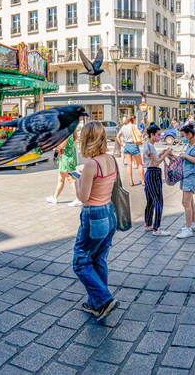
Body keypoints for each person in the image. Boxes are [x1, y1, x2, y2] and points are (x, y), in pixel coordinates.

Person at [71, 121, 119, 320]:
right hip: (110, 212)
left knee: (81, 261)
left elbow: (83, 196)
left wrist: (77, 179)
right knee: (99, 258)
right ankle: (95, 304)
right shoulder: (110, 158)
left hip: (94, 214)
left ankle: (104, 299)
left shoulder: (91, 164)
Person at [140, 125, 173, 235]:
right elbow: (156, 162)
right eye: (158, 135)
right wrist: (167, 154)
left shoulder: (149, 146)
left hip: (150, 173)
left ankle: (148, 224)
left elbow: (154, 158)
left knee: (150, 201)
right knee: (158, 201)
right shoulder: (149, 146)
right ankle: (156, 228)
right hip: (153, 173)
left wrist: (162, 153)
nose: (159, 137)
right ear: (152, 134)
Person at [173, 124, 195, 239]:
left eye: (185, 135)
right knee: (190, 201)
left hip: (191, 176)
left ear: (190, 134)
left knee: (185, 202)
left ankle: (188, 228)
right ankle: (193, 223)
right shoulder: (190, 145)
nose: (184, 137)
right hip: (187, 175)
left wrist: (185, 156)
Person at [48, 132, 80, 205]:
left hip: (66, 159)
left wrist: (54, 149)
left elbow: (61, 146)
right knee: (61, 179)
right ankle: (54, 198)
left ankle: (78, 199)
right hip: (67, 157)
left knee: (70, 179)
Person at [116, 116, 143, 186]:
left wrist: (121, 144)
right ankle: (143, 181)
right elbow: (140, 135)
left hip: (127, 146)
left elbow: (117, 137)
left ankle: (131, 182)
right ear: (133, 120)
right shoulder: (134, 126)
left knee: (129, 165)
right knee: (139, 164)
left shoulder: (123, 127)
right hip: (133, 145)